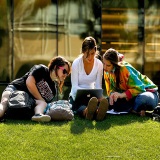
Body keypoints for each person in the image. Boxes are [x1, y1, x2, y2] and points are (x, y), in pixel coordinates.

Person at [0, 56, 71, 122]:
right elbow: (29, 83)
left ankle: (38, 115)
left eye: (67, 73)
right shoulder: (41, 69)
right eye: (64, 71)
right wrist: (41, 99)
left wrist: (41, 101)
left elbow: (43, 103)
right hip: (15, 88)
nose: (65, 75)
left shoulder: (53, 90)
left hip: (28, 100)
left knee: (43, 103)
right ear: (56, 67)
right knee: (5, 101)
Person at [103, 48, 159, 116]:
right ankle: (135, 110)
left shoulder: (124, 69)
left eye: (108, 65)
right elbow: (110, 90)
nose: (105, 68)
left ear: (115, 65)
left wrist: (121, 95)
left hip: (148, 93)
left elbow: (140, 89)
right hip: (131, 97)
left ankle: (131, 109)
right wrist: (112, 95)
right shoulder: (106, 72)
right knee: (110, 100)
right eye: (104, 64)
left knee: (140, 100)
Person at [69, 36, 108, 121]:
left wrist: (99, 96)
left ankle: (96, 112)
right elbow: (74, 87)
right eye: (87, 54)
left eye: (92, 53)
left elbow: (98, 86)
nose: (90, 57)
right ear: (83, 52)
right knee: (79, 106)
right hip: (76, 96)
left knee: (93, 101)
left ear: (95, 51)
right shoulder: (76, 63)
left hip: (92, 97)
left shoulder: (99, 64)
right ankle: (87, 112)